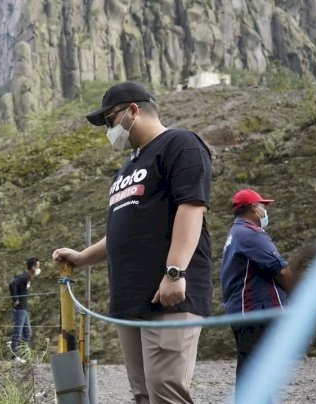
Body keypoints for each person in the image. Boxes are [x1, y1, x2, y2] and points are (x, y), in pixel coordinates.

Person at [52, 81, 213, 404]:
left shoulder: (180, 144)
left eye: (109, 121)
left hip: (168, 296)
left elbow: (191, 206)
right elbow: (124, 230)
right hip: (129, 302)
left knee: (165, 390)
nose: (108, 130)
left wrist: (175, 272)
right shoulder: (127, 168)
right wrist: (82, 257)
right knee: (142, 394)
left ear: (133, 111)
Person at [219, 188, 295, 381]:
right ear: (254, 208)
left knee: (251, 368)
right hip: (255, 312)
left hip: (243, 312)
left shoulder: (235, 233)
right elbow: (281, 270)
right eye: (263, 206)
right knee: (257, 370)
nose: (265, 211)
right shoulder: (250, 234)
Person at [8, 257, 41, 362]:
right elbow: (12, 284)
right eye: (37, 266)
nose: (38, 269)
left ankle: (22, 354)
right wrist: (15, 299)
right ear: (32, 267)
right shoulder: (24, 277)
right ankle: (14, 355)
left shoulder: (28, 277)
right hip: (20, 309)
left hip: (24, 310)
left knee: (27, 333)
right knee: (17, 332)